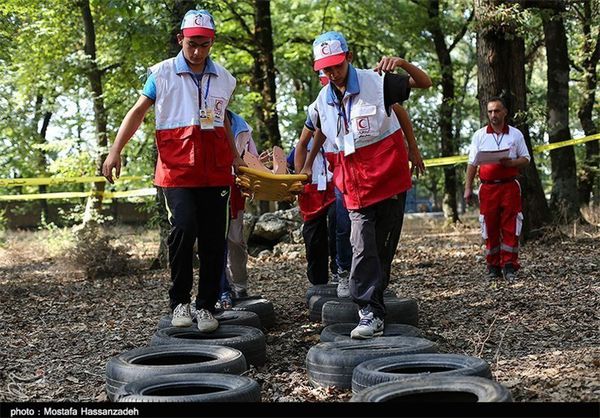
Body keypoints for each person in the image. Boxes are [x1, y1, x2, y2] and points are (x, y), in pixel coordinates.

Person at [101, 9, 245, 333]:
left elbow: (222, 121)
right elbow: (137, 112)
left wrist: (236, 158)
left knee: (214, 240)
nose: (197, 51)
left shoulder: (224, 78)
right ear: (181, 39)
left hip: (216, 172)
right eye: (192, 44)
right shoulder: (162, 74)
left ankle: (206, 305)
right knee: (183, 228)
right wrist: (115, 151)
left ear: (212, 43)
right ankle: (180, 301)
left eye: (204, 45)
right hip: (176, 170)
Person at [302, 31, 432, 339]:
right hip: (354, 184)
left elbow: (424, 83)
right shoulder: (323, 98)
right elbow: (321, 130)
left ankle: (377, 299)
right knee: (360, 246)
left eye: (336, 65)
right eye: (325, 68)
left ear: (348, 58)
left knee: (382, 249)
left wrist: (401, 62)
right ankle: (369, 312)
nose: (332, 73)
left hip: (389, 179)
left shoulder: (379, 82)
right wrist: (307, 164)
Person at [464, 96, 530, 282]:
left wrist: (512, 162)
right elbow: (472, 163)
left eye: (497, 111)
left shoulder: (515, 134)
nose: (493, 115)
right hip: (487, 189)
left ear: (505, 112)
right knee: (489, 227)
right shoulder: (479, 135)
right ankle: (493, 266)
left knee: (511, 226)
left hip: (509, 186)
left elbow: (526, 159)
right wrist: (468, 188)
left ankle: (509, 266)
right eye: (490, 111)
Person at [290, 101, 338, 286]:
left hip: (335, 186)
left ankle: (339, 271)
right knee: (314, 238)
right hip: (312, 189)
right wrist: (299, 181)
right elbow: (294, 156)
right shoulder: (304, 140)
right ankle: (318, 283)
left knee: (339, 227)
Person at [217, 109, 260, 309]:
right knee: (216, 241)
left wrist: (252, 182)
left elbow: (253, 158)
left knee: (235, 240)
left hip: (235, 189)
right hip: (213, 185)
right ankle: (222, 289)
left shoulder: (242, 127)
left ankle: (240, 285)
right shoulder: (203, 116)